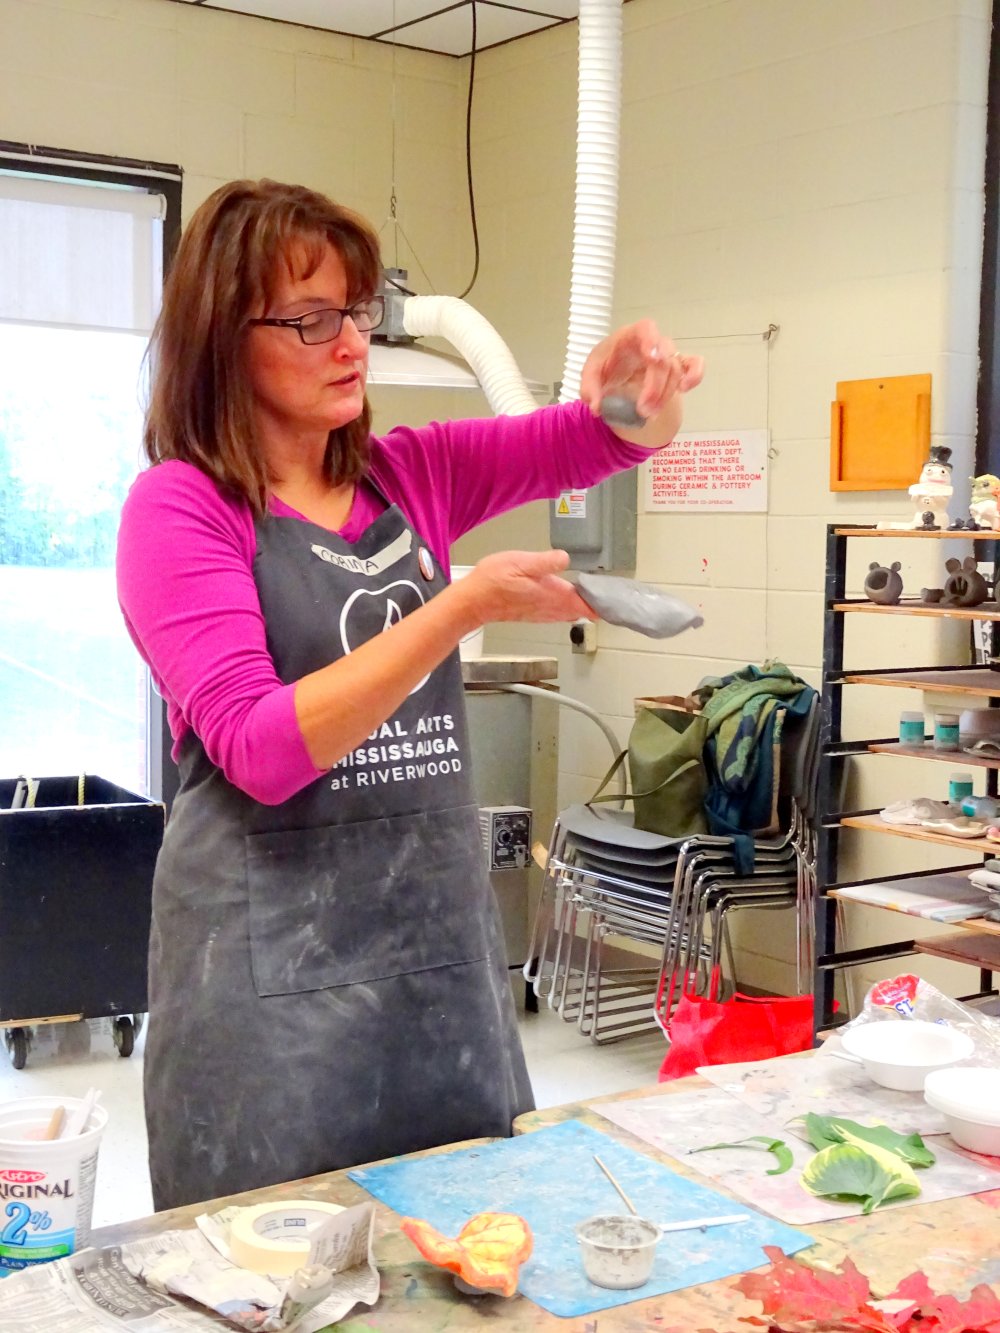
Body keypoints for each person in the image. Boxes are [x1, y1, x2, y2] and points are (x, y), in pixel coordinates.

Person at [117, 178, 703, 1211]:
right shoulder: (181, 510)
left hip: (434, 965)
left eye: (356, 314)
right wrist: (458, 607)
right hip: (266, 990)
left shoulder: (411, 475)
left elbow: (595, 442)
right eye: (310, 320)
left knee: (469, 1250)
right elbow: (260, 747)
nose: (350, 344)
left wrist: (634, 403)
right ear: (222, 339)